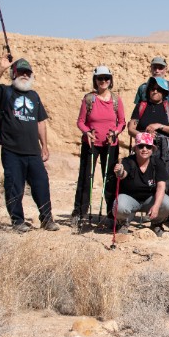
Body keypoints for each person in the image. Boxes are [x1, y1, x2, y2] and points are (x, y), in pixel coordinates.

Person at [0, 55, 58, 232]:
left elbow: (41, 122)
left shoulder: (34, 96)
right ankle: (17, 221)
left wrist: (45, 146)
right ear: (13, 74)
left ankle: (47, 219)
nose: (24, 75)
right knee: (14, 186)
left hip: (33, 151)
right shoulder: (5, 92)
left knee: (41, 184)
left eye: (27, 72)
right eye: (20, 72)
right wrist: (1, 68)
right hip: (12, 150)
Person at [71, 66, 125, 226]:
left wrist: (115, 132)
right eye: (100, 78)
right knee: (86, 178)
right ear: (95, 80)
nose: (103, 81)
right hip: (91, 143)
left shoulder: (116, 100)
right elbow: (80, 121)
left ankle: (111, 213)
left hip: (110, 143)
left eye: (106, 78)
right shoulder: (89, 99)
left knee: (110, 178)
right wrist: (87, 132)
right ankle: (79, 212)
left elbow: (122, 122)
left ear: (110, 80)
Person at [111, 132, 169, 236]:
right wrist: (120, 171)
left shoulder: (158, 163)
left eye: (148, 147)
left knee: (166, 202)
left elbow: (161, 186)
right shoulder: (128, 161)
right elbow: (123, 174)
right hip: (130, 199)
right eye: (141, 146)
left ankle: (156, 224)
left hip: (149, 200)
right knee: (119, 205)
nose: (144, 149)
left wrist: (156, 206)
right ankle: (122, 223)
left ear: (152, 149)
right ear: (135, 149)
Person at [127, 76, 169, 196]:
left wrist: (159, 126)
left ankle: (165, 210)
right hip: (146, 148)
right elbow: (131, 129)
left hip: (165, 151)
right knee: (146, 175)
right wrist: (145, 136)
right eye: (152, 89)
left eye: (158, 89)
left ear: (164, 92)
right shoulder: (141, 106)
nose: (155, 91)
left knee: (166, 177)